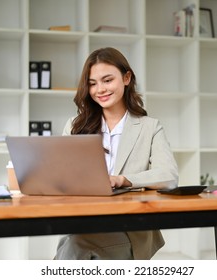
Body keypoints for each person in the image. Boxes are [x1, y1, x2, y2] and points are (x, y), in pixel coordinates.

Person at [54, 47, 178, 260]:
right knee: (76, 242)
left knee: (76, 246)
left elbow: (169, 176)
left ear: (126, 77)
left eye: (107, 80)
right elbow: (60, 174)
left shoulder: (150, 127)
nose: (99, 89)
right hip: (83, 221)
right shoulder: (75, 126)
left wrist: (123, 180)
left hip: (129, 228)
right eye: (92, 83)